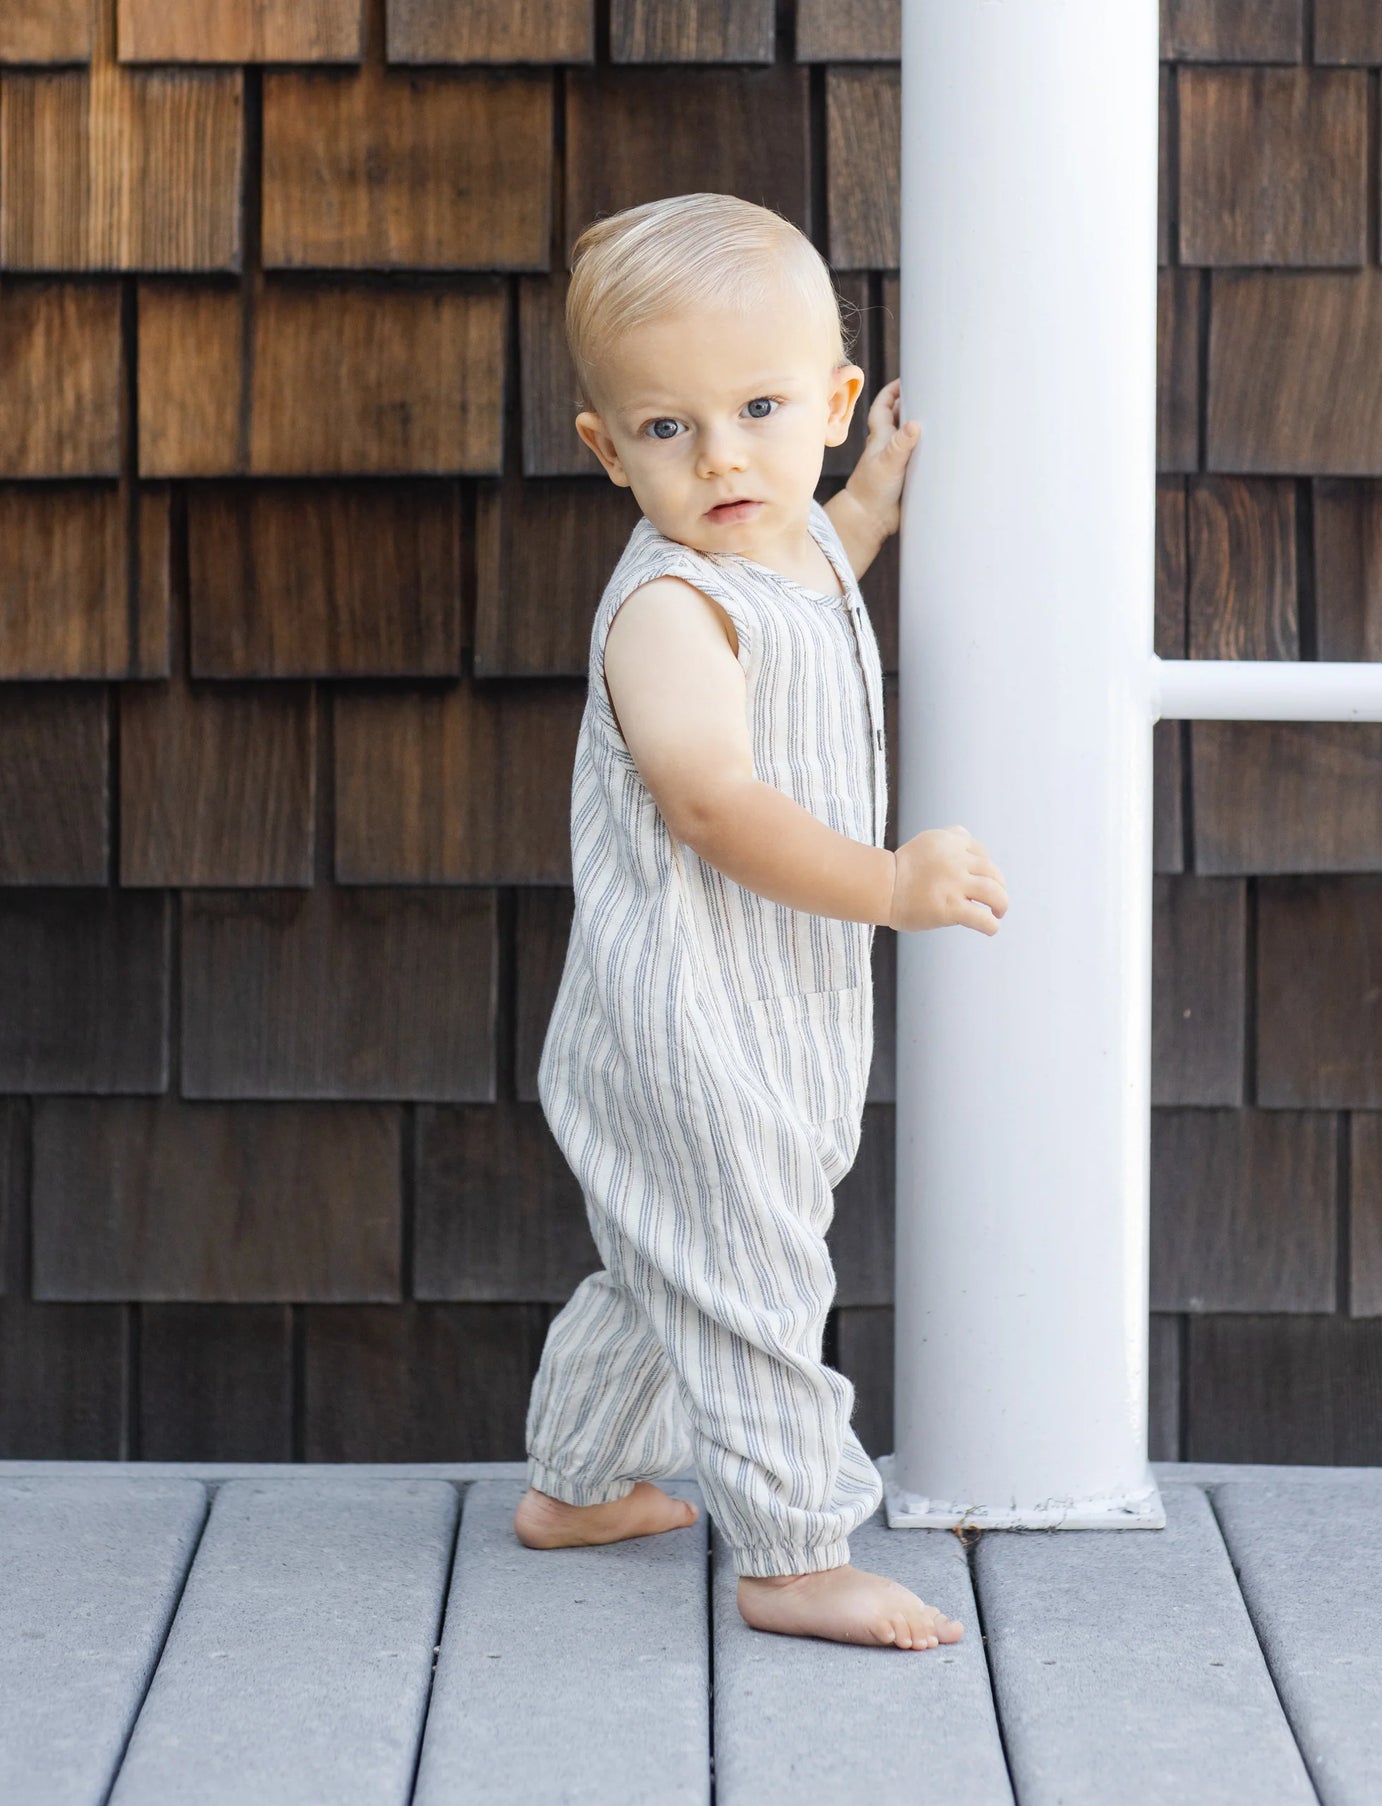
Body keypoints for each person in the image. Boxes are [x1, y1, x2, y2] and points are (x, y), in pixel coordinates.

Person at [513, 192, 1009, 1650]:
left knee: (664, 1266)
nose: (723, 456)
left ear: (834, 407)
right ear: (609, 448)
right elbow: (715, 803)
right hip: (688, 1021)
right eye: (669, 428)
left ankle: (576, 1483)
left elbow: (811, 580)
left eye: (760, 410)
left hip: (766, 1010)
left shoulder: (780, 545)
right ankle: (794, 1551)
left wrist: (871, 503)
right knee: (752, 1280)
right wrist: (891, 883)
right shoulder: (668, 609)